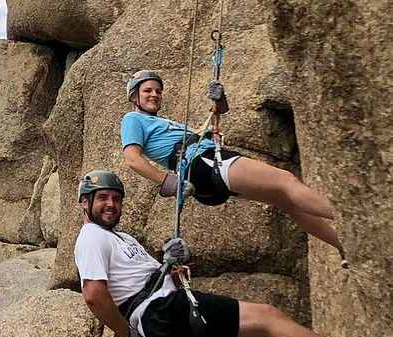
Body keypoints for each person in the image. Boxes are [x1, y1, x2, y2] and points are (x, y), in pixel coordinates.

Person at [74, 169, 389, 337]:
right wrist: (128, 335)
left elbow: (135, 282)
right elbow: (94, 295)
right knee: (269, 318)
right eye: (102, 197)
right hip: (162, 313)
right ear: (85, 204)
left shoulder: (120, 238)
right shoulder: (91, 237)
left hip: (168, 309)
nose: (111, 204)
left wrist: (172, 267)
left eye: (115, 198)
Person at [121, 70, 348, 267]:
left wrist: (220, 103)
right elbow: (132, 158)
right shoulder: (132, 119)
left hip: (204, 169)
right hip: (203, 162)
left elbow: (215, 117)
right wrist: (166, 180)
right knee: (286, 181)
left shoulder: (162, 123)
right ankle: (350, 219)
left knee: (286, 200)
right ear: (135, 97)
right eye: (148, 91)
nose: (154, 95)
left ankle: (343, 245)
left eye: (158, 91)